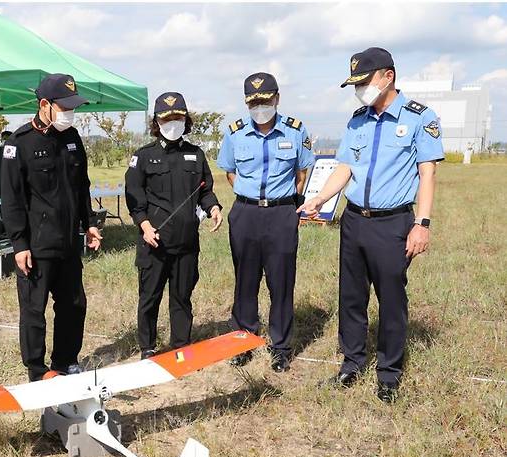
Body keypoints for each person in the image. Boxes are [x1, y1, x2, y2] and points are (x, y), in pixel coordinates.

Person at [298, 47, 444, 403]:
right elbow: (345, 168)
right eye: (355, 84)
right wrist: (319, 198)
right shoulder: (357, 120)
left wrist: (421, 224)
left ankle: (389, 373)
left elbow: (427, 175)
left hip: (392, 223)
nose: (359, 89)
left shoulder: (419, 118)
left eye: (364, 82)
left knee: (391, 299)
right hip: (354, 221)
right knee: (351, 296)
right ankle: (351, 365)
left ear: (387, 76)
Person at [1, 73, 102, 382]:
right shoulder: (18, 144)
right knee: (34, 310)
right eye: (65, 107)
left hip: (69, 241)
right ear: (44, 105)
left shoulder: (72, 138)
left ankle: (65, 361)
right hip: (37, 245)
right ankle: (36, 369)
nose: (70, 114)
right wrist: (19, 244)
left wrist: (90, 224)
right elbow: (12, 200)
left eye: (73, 108)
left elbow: (80, 186)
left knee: (74, 304)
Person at [217, 72, 315, 372]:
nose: (260, 106)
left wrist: (285, 203)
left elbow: (302, 174)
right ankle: (243, 341)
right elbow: (231, 172)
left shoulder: (295, 131)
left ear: (277, 98)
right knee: (245, 281)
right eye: (254, 102)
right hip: (245, 213)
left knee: (281, 282)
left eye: (266, 100)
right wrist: (250, 199)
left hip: (281, 214)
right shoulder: (234, 133)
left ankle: (281, 347)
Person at [125, 93, 223, 359]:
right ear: (157, 121)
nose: (173, 122)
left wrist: (214, 207)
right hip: (154, 242)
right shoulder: (143, 156)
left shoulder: (196, 154)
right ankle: (147, 348)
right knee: (150, 298)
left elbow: (205, 191)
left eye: (178, 117)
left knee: (182, 297)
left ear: (186, 119)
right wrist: (144, 227)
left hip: (186, 243)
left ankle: (181, 345)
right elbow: (135, 198)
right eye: (167, 118)